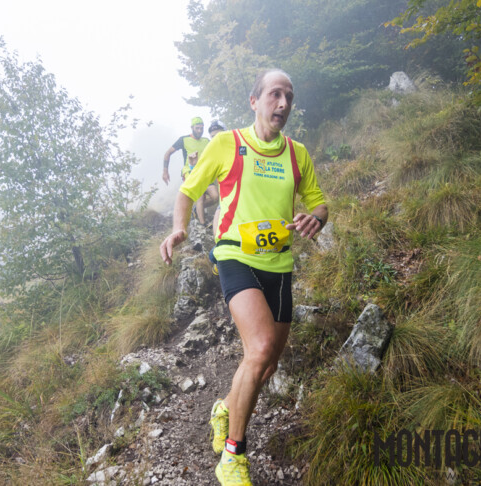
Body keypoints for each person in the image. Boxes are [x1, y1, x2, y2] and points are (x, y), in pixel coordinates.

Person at [160, 69, 328, 486]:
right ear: (254, 101)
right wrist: (179, 228)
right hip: (236, 255)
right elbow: (188, 191)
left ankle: (223, 408)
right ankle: (233, 456)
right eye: (275, 94)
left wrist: (316, 218)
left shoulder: (297, 154)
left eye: (289, 97)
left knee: (266, 364)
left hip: (279, 263)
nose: (283, 104)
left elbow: (319, 202)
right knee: (262, 345)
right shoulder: (227, 144)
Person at [162, 117, 218, 225]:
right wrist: (165, 171)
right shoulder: (183, 140)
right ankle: (202, 224)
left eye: (201, 128)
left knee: (215, 197)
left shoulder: (206, 141)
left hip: (205, 173)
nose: (200, 131)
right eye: (197, 128)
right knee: (200, 196)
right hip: (190, 172)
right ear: (192, 127)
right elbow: (167, 153)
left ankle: (196, 210)